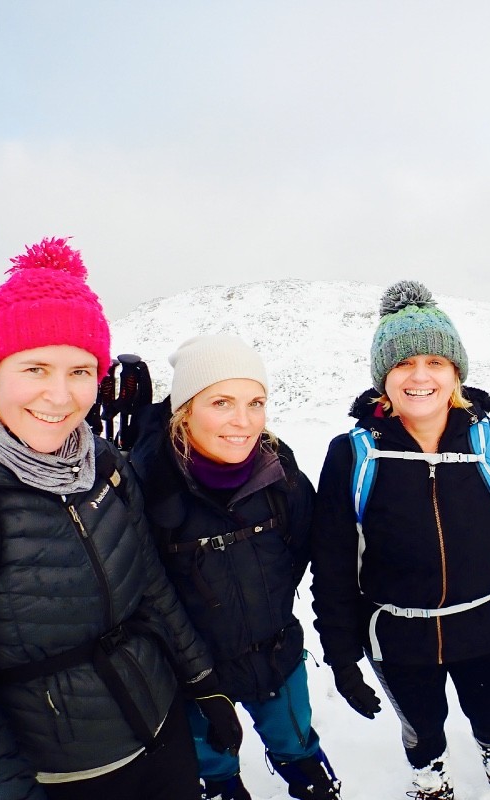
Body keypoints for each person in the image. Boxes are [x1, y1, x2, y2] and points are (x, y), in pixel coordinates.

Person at [0, 238, 240, 800]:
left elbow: (148, 584)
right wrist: (14, 791)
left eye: (80, 370)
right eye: (36, 368)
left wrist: (203, 683)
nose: (60, 395)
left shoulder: (104, 464)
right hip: (70, 773)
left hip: (162, 728)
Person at [309, 281, 490, 800]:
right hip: (398, 638)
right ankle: (429, 776)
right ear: (383, 377)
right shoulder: (353, 454)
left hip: (488, 628)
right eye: (404, 363)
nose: (420, 376)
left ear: (456, 373)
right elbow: (334, 566)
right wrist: (341, 655)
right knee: (421, 725)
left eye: (436, 361)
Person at [128, 334, 339, 800]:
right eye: (221, 402)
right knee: (215, 766)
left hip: (278, 659)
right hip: (195, 682)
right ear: (185, 409)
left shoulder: (282, 477)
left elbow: (299, 555)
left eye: (255, 402)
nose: (242, 422)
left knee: (298, 747)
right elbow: (140, 597)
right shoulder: (147, 488)